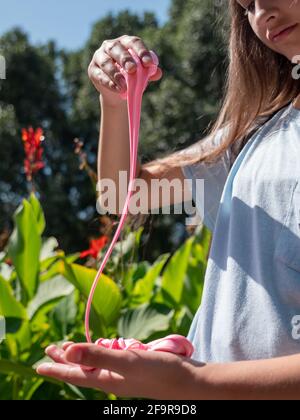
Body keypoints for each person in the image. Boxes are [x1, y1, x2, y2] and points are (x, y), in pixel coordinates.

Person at [37, 0, 300, 400]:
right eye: (246, 5)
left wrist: (192, 382)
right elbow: (123, 195)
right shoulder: (257, 133)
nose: (262, 12)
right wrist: (117, 102)